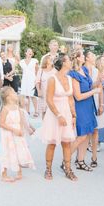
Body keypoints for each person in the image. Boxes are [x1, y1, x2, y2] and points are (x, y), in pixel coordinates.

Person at [41, 53, 77, 181]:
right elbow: (49, 100)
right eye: (69, 60)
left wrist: (73, 115)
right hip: (55, 114)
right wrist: (59, 115)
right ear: (63, 63)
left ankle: (68, 169)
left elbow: (71, 98)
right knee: (52, 143)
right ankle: (48, 169)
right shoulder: (52, 79)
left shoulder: (69, 79)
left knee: (66, 142)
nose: (71, 62)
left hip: (66, 113)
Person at [68, 49, 101, 171]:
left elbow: (89, 86)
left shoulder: (85, 70)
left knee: (87, 134)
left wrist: (99, 81)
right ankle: (65, 160)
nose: (83, 56)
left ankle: (80, 161)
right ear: (78, 58)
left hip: (89, 106)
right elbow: (78, 96)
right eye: (82, 55)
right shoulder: (73, 74)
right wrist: (94, 91)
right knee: (81, 136)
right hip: (80, 107)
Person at [0, 87, 35, 182]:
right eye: (14, 93)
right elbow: (1, 124)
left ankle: (19, 171)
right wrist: (14, 129)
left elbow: (21, 120)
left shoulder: (17, 107)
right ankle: (4, 174)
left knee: (18, 150)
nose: (16, 94)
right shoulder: (5, 109)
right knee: (7, 152)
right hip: (8, 134)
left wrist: (26, 129)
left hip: (17, 132)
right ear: (8, 97)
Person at [87, 51, 104, 164]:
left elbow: (100, 89)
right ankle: (80, 158)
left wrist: (102, 104)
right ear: (87, 58)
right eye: (92, 55)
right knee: (84, 133)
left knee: (95, 131)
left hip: (96, 101)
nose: (95, 56)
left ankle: (94, 157)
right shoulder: (82, 71)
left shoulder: (96, 71)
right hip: (85, 101)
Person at [19, 48, 39, 116]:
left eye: (31, 51)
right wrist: (22, 80)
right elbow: (22, 71)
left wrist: (37, 80)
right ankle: (27, 111)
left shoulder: (35, 61)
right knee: (26, 96)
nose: (30, 52)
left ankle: (36, 111)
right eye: (29, 51)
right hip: (25, 80)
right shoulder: (21, 62)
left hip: (32, 79)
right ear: (25, 53)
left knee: (33, 95)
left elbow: (37, 70)